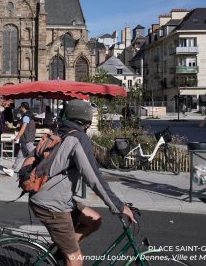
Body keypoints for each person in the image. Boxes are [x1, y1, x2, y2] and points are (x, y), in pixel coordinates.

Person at [29, 99, 135, 265]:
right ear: (86, 120)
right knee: (76, 260)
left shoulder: (62, 131)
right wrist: (118, 206)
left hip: (53, 197)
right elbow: (93, 177)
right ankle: (68, 254)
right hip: (52, 205)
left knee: (94, 219)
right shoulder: (78, 138)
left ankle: (61, 251)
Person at [2, 102, 35, 176]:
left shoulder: (26, 117)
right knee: (20, 155)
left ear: (23, 107)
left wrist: (16, 138)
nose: (20, 108)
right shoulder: (29, 115)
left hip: (27, 139)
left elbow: (23, 129)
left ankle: (39, 168)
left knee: (34, 154)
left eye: (20, 107)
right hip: (27, 138)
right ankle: (12, 170)